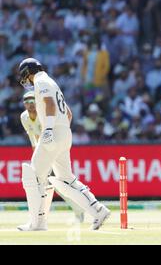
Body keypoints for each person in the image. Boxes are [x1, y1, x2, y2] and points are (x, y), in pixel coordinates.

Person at [17, 58, 110, 231]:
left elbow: (50, 104)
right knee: (65, 179)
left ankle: (37, 223)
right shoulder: (51, 82)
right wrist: (60, 130)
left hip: (53, 132)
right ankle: (98, 210)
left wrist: (49, 129)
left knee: (33, 176)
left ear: (28, 73)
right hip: (64, 133)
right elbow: (68, 113)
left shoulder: (41, 81)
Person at [20, 91, 85, 224]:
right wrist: (37, 157)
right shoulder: (24, 117)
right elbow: (33, 138)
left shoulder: (44, 115)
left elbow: (64, 120)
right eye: (27, 102)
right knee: (48, 185)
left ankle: (38, 219)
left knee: (57, 184)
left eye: (32, 102)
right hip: (43, 153)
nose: (30, 105)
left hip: (54, 149)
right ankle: (39, 217)